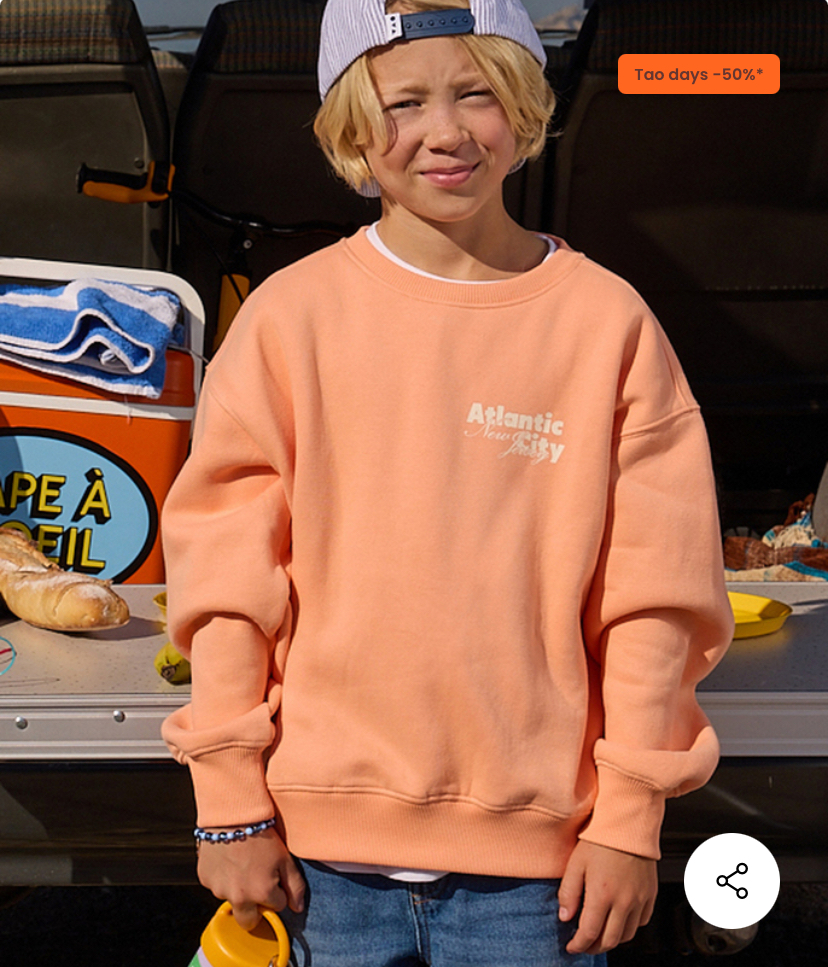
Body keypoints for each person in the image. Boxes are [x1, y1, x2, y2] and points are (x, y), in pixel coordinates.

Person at [161, 0, 734, 963]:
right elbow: (226, 582)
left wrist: (630, 819)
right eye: (403, 103)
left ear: (523, 106)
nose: (445, 132)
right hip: (318, 867)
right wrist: (228, 801)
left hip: (540, 879)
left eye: (477, 93)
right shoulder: (288, 320)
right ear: (350, 126)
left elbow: (655, 599)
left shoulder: (609, 325)